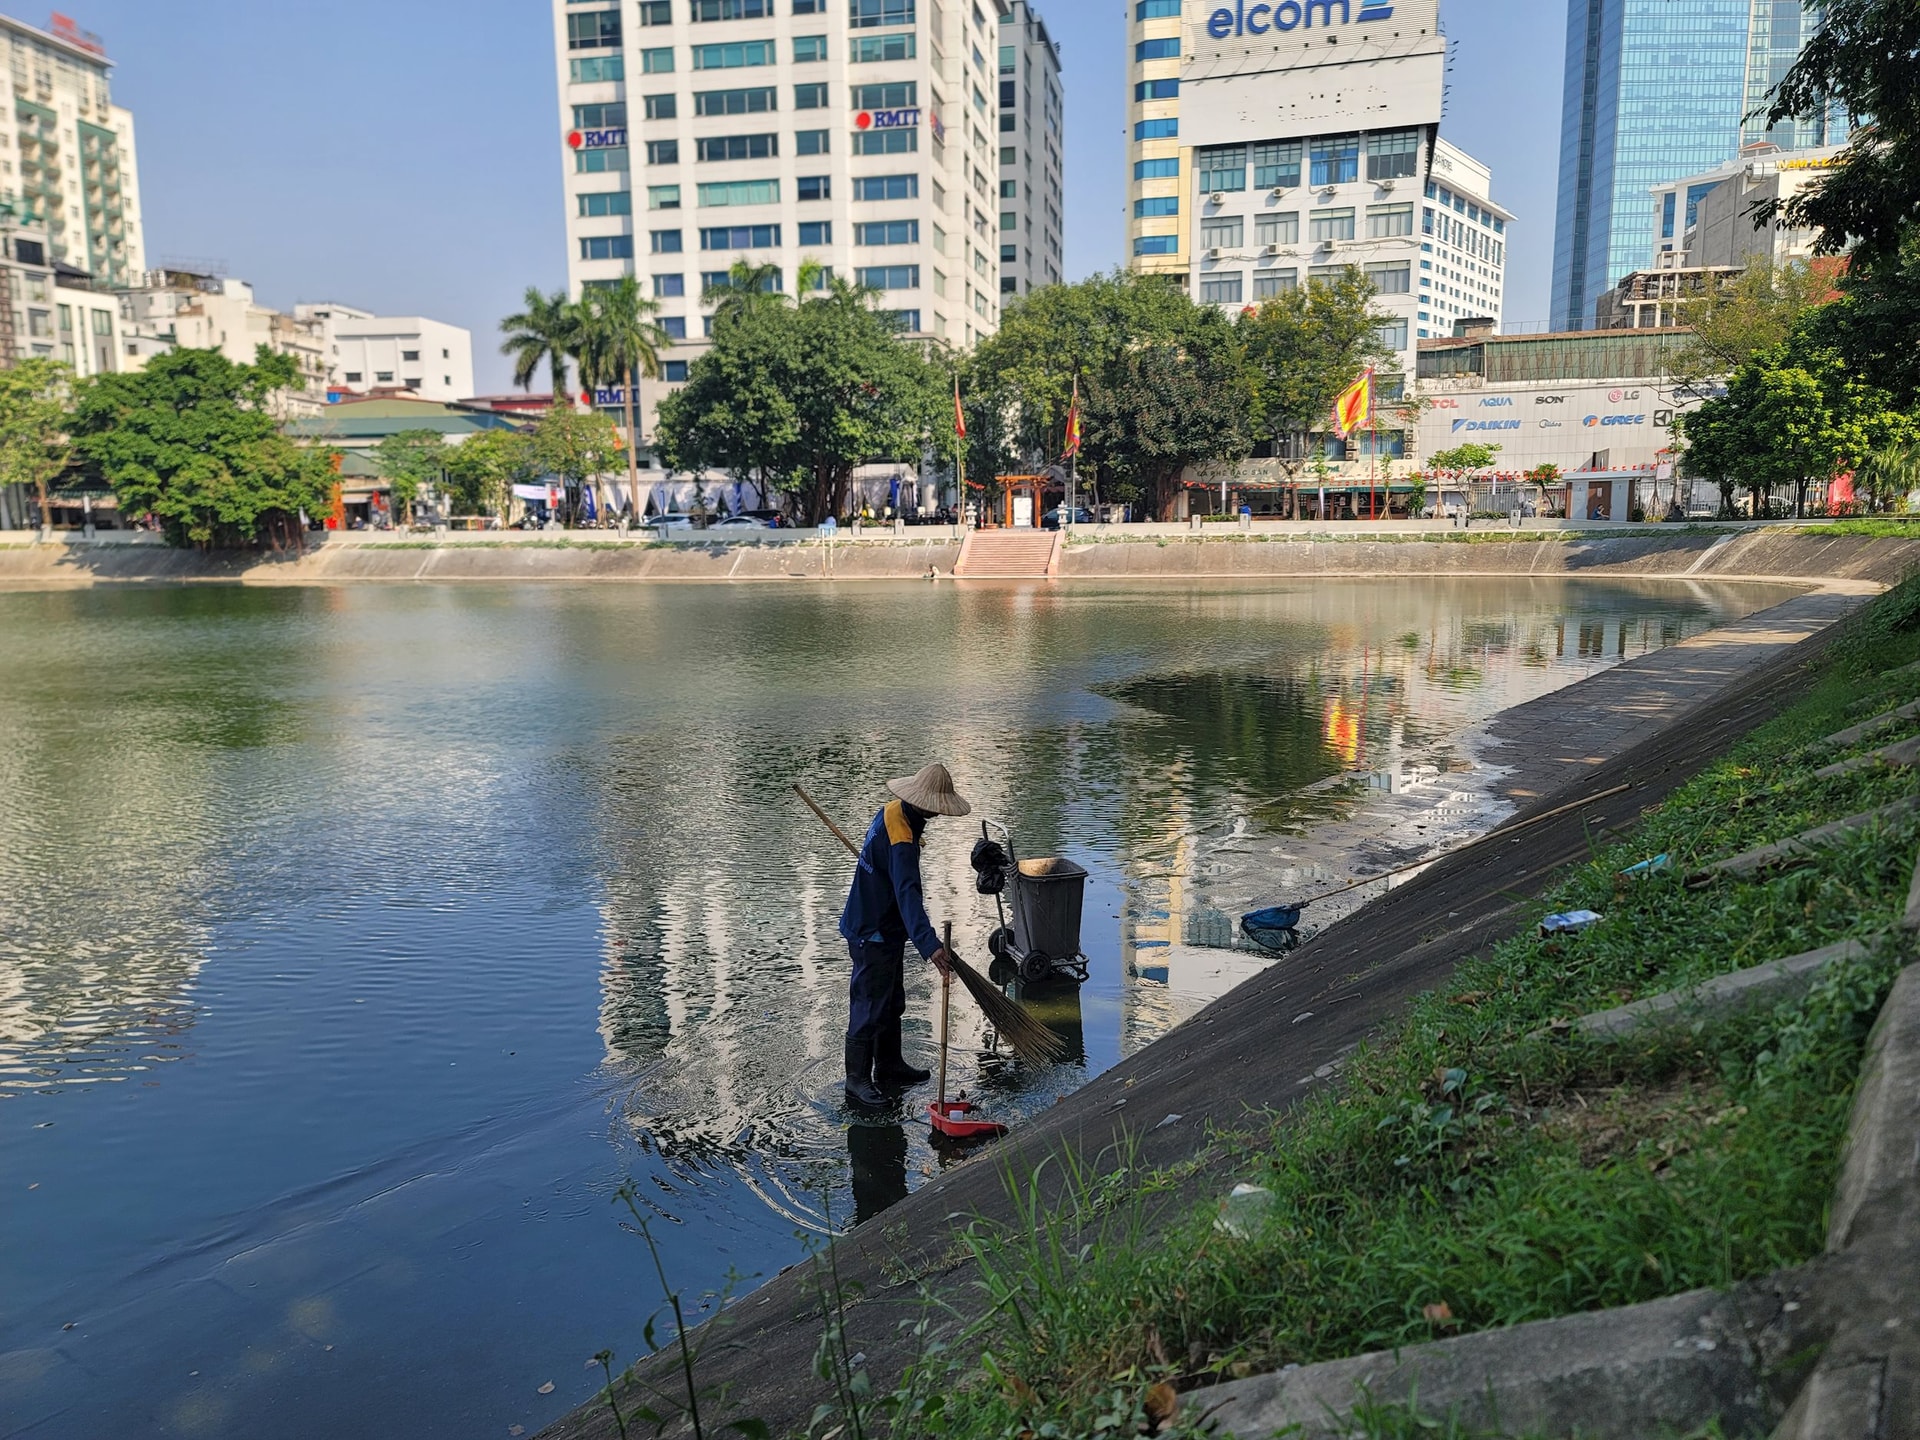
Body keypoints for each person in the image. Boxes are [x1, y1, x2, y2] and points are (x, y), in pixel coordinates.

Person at [836, 763, 967, 1108]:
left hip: (886, 925)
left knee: (891, 1001)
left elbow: (896, 882)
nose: (938, 815)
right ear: (925, 804)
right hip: (872, 930)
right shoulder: (902, 840)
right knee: (869, 1004)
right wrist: (931, 946)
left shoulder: (894, 812)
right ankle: (856, 1081)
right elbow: (908, 892)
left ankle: (890, 1065)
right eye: (936, 809)